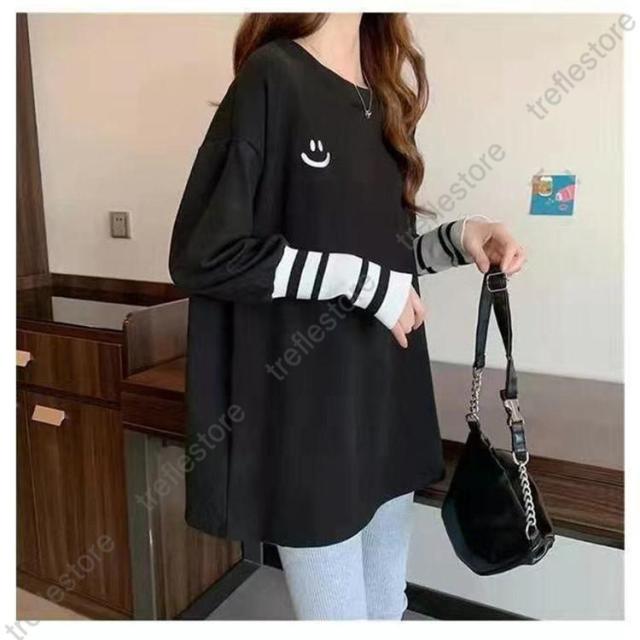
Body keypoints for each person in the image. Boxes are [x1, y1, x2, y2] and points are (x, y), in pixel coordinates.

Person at [169, 13, 525, 620]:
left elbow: (382, 257)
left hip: (386, 403)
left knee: (386, 607)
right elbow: (205, 253)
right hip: (311, 418)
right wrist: (362, 283)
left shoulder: (382, 97)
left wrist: (458, 238)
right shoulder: (273, 77)